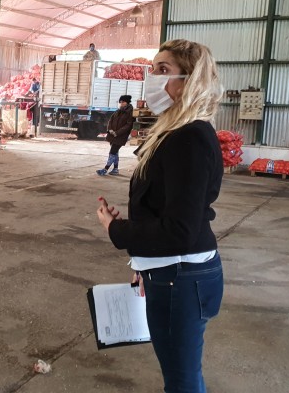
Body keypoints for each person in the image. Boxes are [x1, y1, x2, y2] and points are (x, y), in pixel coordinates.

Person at [96, 39, 224, 393]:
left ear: (190, 80)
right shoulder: (176, 133)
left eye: (163, 70)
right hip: (172, 272)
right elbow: (168, 208)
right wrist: (144, 263)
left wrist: (117, 229)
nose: (152, 78)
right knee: (182, 375)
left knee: (181, 381)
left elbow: (179, 230)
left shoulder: (189, 138)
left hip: (181, 277)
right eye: (153, 69)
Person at [97, 95, 134, 176]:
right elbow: (111, 120)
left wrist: (117, 132)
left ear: (127, 102)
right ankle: (115, 169)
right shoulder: (118, 111)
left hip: (121, 136)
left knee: (112, 152)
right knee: (115, 152)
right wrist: (110, 129)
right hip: (112, 135)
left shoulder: (130, 113)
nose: (121, 103)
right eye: (120, 102)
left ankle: (105, 169)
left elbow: (128, 125)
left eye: (123, 102)